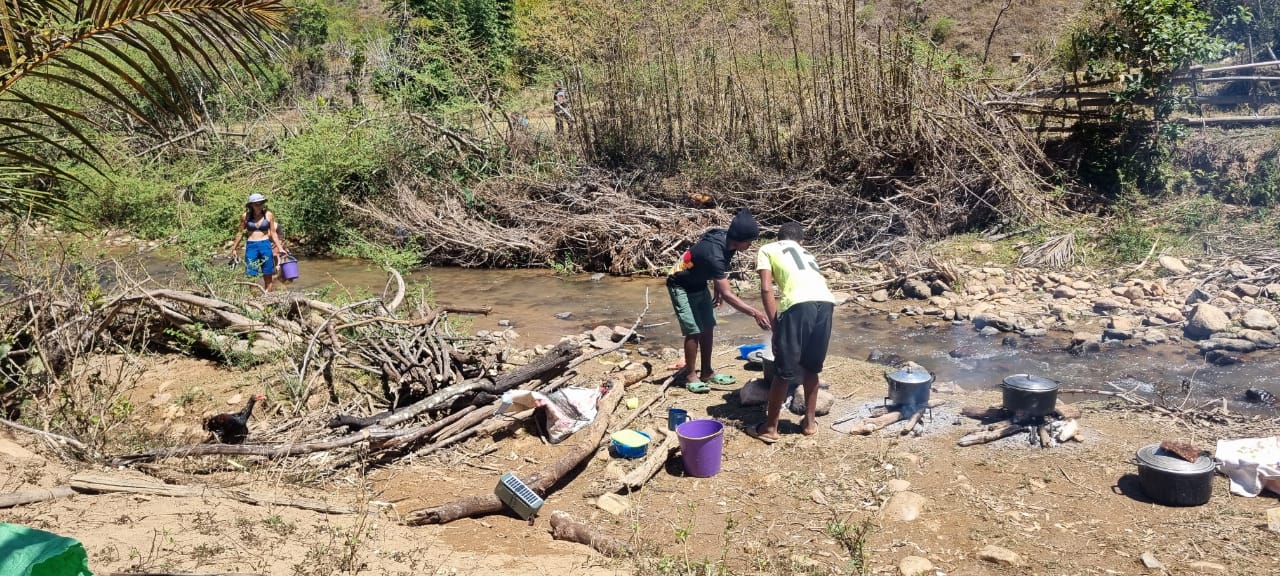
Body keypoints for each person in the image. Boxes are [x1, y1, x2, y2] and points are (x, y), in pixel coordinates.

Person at [746, 222, 835, 443]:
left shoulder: (768, 249)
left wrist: (775, 326)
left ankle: (770, 428)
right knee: (811, 368)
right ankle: (809, 424)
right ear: (800, 241)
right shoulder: (806, 253)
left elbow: (766, 287)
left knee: (783, 371)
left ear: (779, 238)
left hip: (798, 305)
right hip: (826, 303)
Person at [667, 208, 772, 393]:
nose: (750, 245)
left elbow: (717, 270)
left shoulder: (727, 241)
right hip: (680, 284)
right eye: (749, 241)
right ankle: (690, 375)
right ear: (738, 239)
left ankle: (707, 372)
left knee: (708, 326)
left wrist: (717, 287)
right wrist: (755, 313)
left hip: (699, 283)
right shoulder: (714, 253)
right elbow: (729, 294)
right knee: (693, 330)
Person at [229, 193, 287, 291]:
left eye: (261, 203)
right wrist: (234, 248)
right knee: (251, 274)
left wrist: (280, 248)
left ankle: (267, 295)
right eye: (256, 203)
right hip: (251, 246)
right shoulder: (245, 216)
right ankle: (253, 296)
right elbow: (240, 233)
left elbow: (273, 233)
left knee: (268, 273)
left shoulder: (268, 215)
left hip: (265, 245)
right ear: (251, 205)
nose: (259, 205)